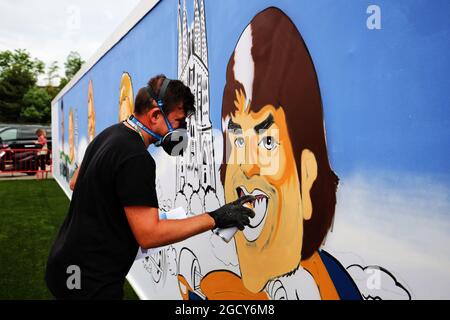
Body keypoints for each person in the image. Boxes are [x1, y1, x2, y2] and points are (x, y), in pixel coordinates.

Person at [45, 74, 255, 300]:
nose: (182, 130)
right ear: (155, 115)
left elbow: (77, 182)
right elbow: (149, 235)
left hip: (65, 265)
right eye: (179, 122)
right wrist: (216, 217)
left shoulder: (110, 134)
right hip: (90, 280)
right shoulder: (136, 157)